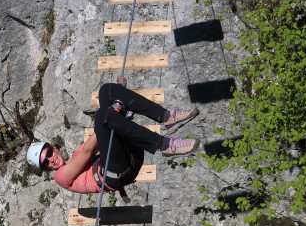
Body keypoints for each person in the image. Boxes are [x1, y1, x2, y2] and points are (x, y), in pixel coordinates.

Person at [26, 83, 199, 201]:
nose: (50, 160)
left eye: (48, 154)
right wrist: (112, 111)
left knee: (107, 91)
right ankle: (165, 145)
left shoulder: (73, 156)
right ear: (47, 169)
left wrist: (115, 105)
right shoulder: (61, 177)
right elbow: (89, 149)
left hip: (124, 157)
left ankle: (167, 117)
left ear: (53, 148)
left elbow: (100, 138)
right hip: (117, 173)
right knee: (103, 115)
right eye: (46, 163)